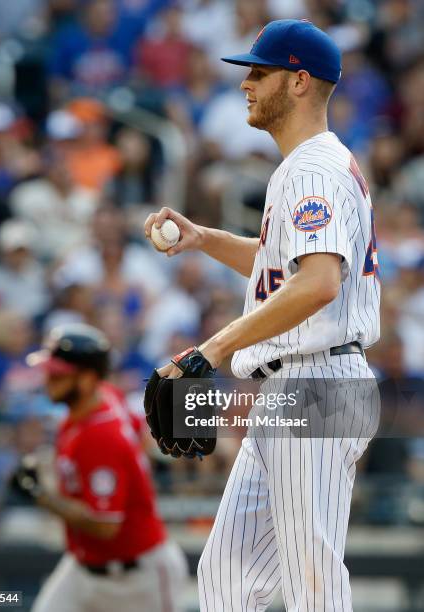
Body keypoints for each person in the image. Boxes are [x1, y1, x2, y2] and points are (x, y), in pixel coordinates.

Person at [145, 19, 380, 612]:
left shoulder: (313, 168)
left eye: (259, 71)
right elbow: (283, 263)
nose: (246, 83)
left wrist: (211, 351)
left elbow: (319, 283)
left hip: (318, 385)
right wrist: (203, 239)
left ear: (299, 82)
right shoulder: (312, 165)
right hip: (298, 386)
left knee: (313, 583)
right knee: (227, 576)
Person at [11, 323, 187, 612]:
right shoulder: (102, 397)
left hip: (135, 580)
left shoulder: (101, 436)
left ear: (87, 378)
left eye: (57, 374)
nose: (47, 379)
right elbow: (139, 438)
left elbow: (105, 526)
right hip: (82, 569)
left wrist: (40, 495)